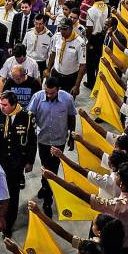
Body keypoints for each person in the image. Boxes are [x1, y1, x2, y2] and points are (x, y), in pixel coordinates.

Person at [44, 162, 128, 254]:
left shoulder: (116, 205)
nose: (115, 176)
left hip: (115, 249)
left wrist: (55, 177)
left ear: (122, 184)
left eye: (118, 175)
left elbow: (81, 194)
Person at [0, 90, 36, 237]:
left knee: (12, 194)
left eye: (5, 105)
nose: (2, 107)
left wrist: (29, 161)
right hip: (0, 161)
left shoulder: (27, 116)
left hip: (16, 163)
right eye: (0, 103)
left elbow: (32, 141)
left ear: (14, 105)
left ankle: (9, 224)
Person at [27, 77, 76, 217]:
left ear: (58, 90)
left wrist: (72, 138)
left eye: (52, 93)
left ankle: (48, 200)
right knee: (44, 165)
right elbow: (30, 116)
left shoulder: (67, 99)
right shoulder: (37, 97)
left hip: (58, 140)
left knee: (52, 170)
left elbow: (72, 117)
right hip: (42, 139)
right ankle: (45, 185)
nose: (48, 95)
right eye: (47, 92)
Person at [46, 17, 86, 96]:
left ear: (71, 28)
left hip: (70, 77)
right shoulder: (56, 37)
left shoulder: (80, 43)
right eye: (60, 28)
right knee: (52, 96)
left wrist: (77, 86)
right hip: (56, 73)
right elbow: (53, 53)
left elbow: (82, 65)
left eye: (65, 29)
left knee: (67, 100)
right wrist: (48, 69)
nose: (62, 31)